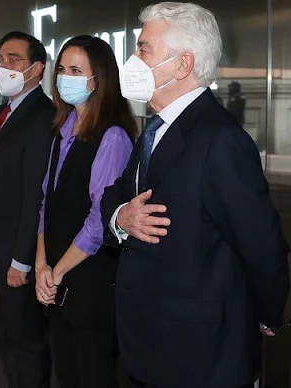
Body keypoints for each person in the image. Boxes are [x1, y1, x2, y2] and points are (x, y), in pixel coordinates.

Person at [101, 3, 289, 387]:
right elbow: (114, 194)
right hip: (146, 344)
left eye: (143, 49)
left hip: (199, 355)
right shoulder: (154, 130)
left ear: (183, 65)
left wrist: (269, 313)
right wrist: (121, 215)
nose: (133, 60)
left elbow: (260, 244)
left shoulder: (220, 140)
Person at [34, 35, 136, 388]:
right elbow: (46, 204)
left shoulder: (112, 138)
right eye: (62, 69)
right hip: (57, 282)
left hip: (90, 284)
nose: (65, 78)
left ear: (99, 79)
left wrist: (56, 271)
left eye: (76, 70)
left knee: (92, 376)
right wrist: (41, 266)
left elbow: (99, 219)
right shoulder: (61, 129)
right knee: (67, 374)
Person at [0, 31, 55, 388]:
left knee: (27, 344)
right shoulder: (0, 113)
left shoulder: (44, 117)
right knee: (4, 337)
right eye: (1, 59)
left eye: (14, 59)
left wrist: (22, 259)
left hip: (16, 260)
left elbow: (36, 194)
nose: (4, 66)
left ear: (36, 69)